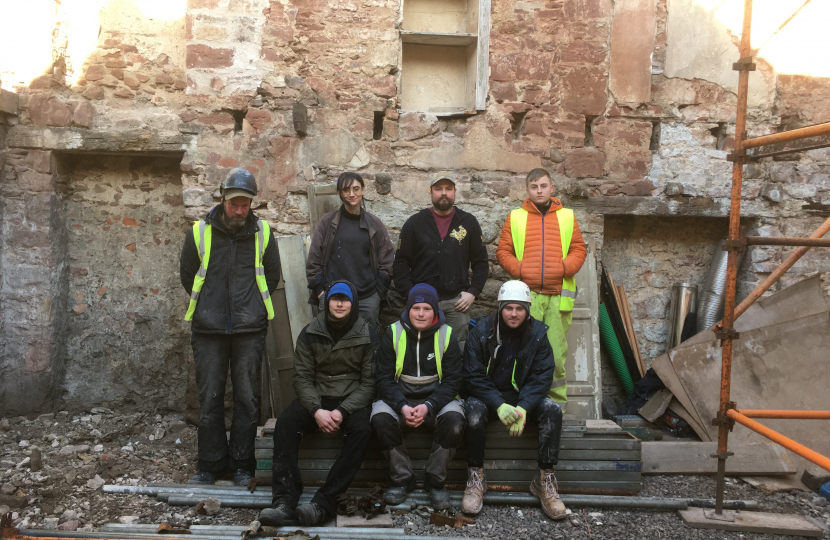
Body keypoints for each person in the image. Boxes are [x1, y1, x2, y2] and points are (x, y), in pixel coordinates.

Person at [179, 168, 281, 487]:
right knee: (209, 397)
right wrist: (211, 303)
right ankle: (209, 464)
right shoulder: (199, 233)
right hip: (208, 328)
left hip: (249, 329)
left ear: (252, 204)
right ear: (223, 198)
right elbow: (187, 275)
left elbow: (273, 276)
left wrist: (248, 308)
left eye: (245, 205)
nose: (239, 210)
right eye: (234, 203)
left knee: (247, 398)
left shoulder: (263, 234)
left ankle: (241, 464)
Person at [260, 280, 377, 526]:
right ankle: (284, 501)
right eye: (335, 299)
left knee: (363, 430)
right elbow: (302, 377)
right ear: (327, 302)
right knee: (286, 423)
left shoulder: (367, 333)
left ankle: (323, 504)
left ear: (353, 303)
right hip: (318, 397)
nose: (340, 304)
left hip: (351, 400)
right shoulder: (310, 332)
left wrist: (342, 411)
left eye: (345, 300)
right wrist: (316, 410)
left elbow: (369, 383)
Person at [460, 281, 566, 520]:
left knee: (552, 411)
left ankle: (544, 480)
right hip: (488, 395)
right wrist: (498, 404)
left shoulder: (538, 335)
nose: (514, 313)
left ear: (528, 310)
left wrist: (524, 407)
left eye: (520, 308)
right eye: (509, 308)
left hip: (522, 397)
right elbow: (472, 376)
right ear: (500, 308)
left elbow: (542, 375)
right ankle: (476, 477)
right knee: (473, 413)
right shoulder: (481, 331)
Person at [496, 168, 587, 410]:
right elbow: (503, 252)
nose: (539, 190)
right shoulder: (515, 217)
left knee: (556, 355)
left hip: (559, 297)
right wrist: (520, 270)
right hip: (527, 297)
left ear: (551, 188)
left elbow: (579, 249)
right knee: (525, 353)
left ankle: (556, 407)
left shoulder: (567, 216)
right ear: (527, 190)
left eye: (543, 186)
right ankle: (525, 405)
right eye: (534, 187)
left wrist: (565, 267)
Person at [371, 283, 465, 509]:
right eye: (416, 308)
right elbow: (383, 378)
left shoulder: (447, 334)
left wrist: (429, 405)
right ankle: (402, 479)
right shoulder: (393, 333)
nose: (421, 313)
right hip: (399, 399)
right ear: (408, 309)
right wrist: (402, 406)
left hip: (436, 400)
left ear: (435, 311)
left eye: (426, 308)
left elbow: (453, 380)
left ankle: (435, 482)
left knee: (455, 420)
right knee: (380, 419)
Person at [392, 173, 489, 349]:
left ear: (454, 192)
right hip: (422, 302)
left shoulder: (468, 222)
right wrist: (410, 294)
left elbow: (481, 262)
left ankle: (454, 379)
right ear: (431, 192)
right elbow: (400, 263)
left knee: (458, 349)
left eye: (448, 189)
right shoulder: (415, 223)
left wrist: (473, 292)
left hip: (456, 303)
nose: (443, 193)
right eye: (438, 189)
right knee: (421, 348)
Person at [306, 172, 395, 331]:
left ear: (363, 190)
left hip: (367, 298)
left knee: (367, 345)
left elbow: (387, 261)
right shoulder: (326, 223)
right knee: (332, 345)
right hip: (334, 298)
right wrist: (321, 293)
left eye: (356, 189)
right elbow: (313, 262)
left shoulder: (374, 224)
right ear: (339, 193)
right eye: (346, 190)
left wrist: (377, 295)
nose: (351, 194)